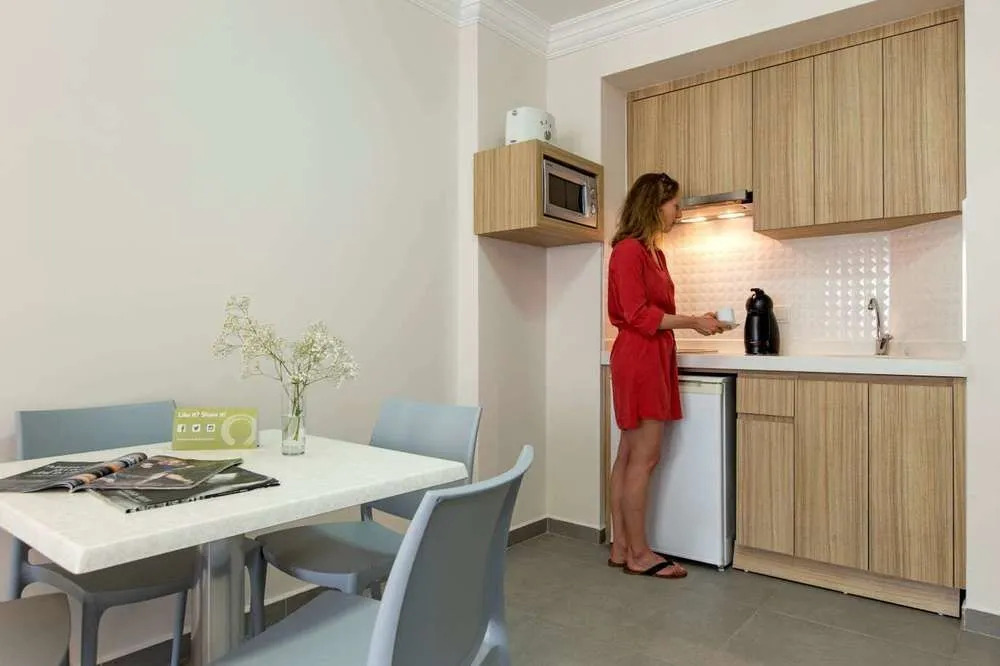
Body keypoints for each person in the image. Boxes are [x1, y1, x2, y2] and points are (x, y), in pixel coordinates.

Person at [607, 172, 726, 579]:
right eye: (675, 205)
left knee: (629, 455)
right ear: (654, 206)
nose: (679, 212)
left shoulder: (653, 254)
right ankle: (639, 555)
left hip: (651, 356)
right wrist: (693, 321)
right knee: (642, 457)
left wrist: (696, 320)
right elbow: (639, 314)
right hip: (640, 357)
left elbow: (655, 313)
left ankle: (622, 548)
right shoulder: (628, 251)